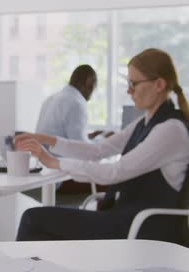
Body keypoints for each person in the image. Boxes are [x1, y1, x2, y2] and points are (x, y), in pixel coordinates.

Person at [15, 48, 189, 244]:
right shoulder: (146, 122)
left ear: (159, 84)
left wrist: (55, 162)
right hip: (125, 218)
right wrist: (46, 139)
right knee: (38, 221)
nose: (128, 90)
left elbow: (116, 171)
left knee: (33, 220)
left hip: (144, 228)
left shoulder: (170, 131)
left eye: (134, 83)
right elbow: (98, 150)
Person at [36, 64, 110, 142]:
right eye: (94, 86)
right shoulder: (76, 104)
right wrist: (103, 138)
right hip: (57, 154)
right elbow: (81, 148)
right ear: (88, 83)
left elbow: (62, 135)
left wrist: (89, 136)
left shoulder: (51, 99)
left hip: (40, 153)